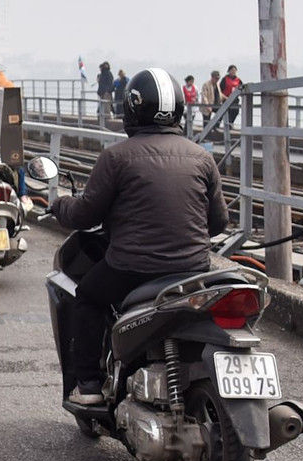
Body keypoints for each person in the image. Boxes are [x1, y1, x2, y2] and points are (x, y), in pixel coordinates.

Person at [48, 67, 228, 407]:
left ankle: (89, 384)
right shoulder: (202, 158)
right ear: (178, 111)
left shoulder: (116, 157)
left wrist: (59, 205)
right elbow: (218, 223)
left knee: (88, 297)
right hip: (192, 270)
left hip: (132, 268)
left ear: (131, 109)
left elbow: (85, 215)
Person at [219, 64, 243, 132]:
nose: (233, 71)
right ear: (229, 71)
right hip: (226, 99)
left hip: (235, 100)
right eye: (232, 70)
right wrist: (223, 97)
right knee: (227, 113)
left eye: (234, 70)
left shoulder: (238, 80)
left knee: (236, 111)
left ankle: (231, 123)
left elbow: (242, 88)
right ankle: (227, 126)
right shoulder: (225, 79)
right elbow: (220, 89)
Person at [96, 61, 115, 127]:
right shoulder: (103, 74)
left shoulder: (107, 74)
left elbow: (109, 83)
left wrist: (107, 91)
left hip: (106, 93)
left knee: (106, 107)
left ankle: (106, 118)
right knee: (103, 107)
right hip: (103, 93)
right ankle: (102, 117)